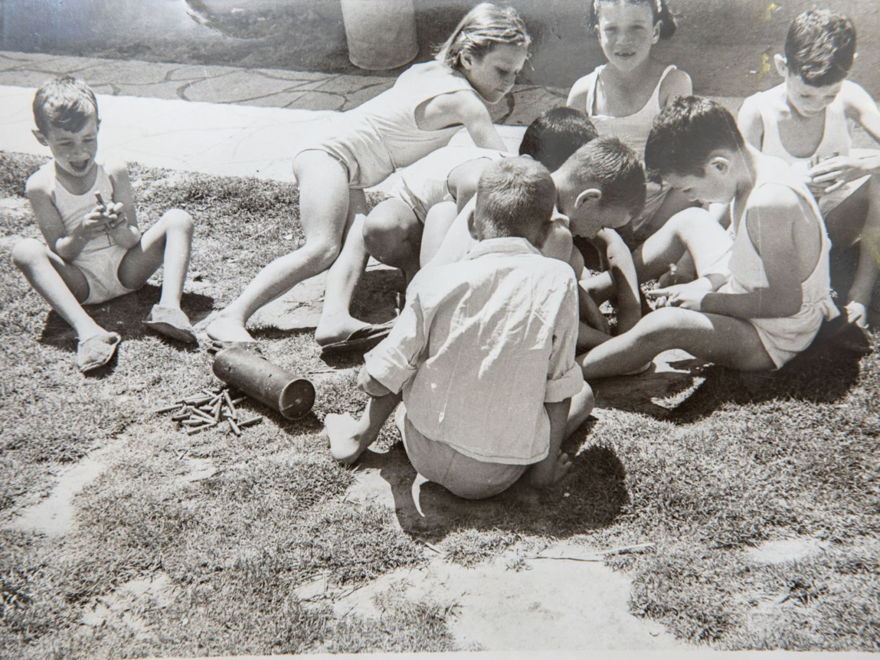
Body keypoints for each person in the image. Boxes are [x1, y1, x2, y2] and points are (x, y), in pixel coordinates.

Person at [205, 3, 531, 349]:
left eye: (516, 73)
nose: (510, 83)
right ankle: (232, 316)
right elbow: (502, 169)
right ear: (467, 58)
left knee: (356, 237)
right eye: (501, 70)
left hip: (342, 163)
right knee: (322, 247)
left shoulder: (426, 72)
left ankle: (333, 319)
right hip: (329, 157)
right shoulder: (467, 103)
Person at [324, 157, 592, 498]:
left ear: (473, 227)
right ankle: (536, 465)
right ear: (545, 234)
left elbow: (381, 376)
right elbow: (558, 384)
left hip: (422, 450)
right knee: (580, 393)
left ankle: (359, 434)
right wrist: (544, 472)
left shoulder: (436, 278)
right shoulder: (559, 279)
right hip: (497, 474)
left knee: (410, 353)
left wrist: (371, 377)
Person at [580, 96, 840, 379]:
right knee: (689, 219)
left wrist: (705, 301)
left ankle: (571, 372)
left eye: (689, 189)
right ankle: (598, 289)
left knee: (667, 324)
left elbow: (785, 303)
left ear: (719, 166)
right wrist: (697, 276)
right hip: (744, 288)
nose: (691, 197)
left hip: (771, 334)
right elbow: (745, 255)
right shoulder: (753, 169)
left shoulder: (771, 203)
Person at [317, 106, 599, 355]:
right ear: (528, 163)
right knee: (385, 227)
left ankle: (421, 288)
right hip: (414, 212)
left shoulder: (547, 198)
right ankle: (394, 300)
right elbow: (468, 240)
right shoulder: (490, 179)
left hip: (447, 225)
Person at [12, 76, 196, 373]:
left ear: (98, 126)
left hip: (126, 270)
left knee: (178, 219)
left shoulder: (113, 170)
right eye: (65, 143)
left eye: (88, 139)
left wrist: (119, 228)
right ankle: (89, 332)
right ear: (42, 138)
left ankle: (170, 309)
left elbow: (132, 237)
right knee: (24, 251)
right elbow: (63, 252)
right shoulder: (40, 186)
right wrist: (83, 232)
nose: (80, 153)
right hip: (81, 283)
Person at [428, 136, 647, 350]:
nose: (594, 234)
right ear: (587, 199)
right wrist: (615, 346)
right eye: (601, 225)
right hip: (465, 340)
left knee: (574, 261)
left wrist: (587, 305)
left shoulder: (506, 184)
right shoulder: (556, 231)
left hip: (433, 317)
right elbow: (552, 324)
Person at [737, 9, 880, 328]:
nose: (815, 104)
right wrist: (789, 185)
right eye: (805, 93)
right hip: (779, 235)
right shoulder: (758, 112)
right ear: (782, 67)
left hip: (833, 224)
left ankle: (859, 294)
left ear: (851, 65)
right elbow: (736, 188)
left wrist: (861, 163)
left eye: (828, 94)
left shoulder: (850, 97)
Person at [567, 0, 694, 247]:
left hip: (659, 213)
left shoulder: (673, 83)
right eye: (612, 29)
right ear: (598, 34)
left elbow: (685, 169)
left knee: (696, 196)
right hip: (598, 218)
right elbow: (568, 169)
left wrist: (650, 230)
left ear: (655, 31)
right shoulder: (584, 91)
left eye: (636, 28)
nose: (624, 40)